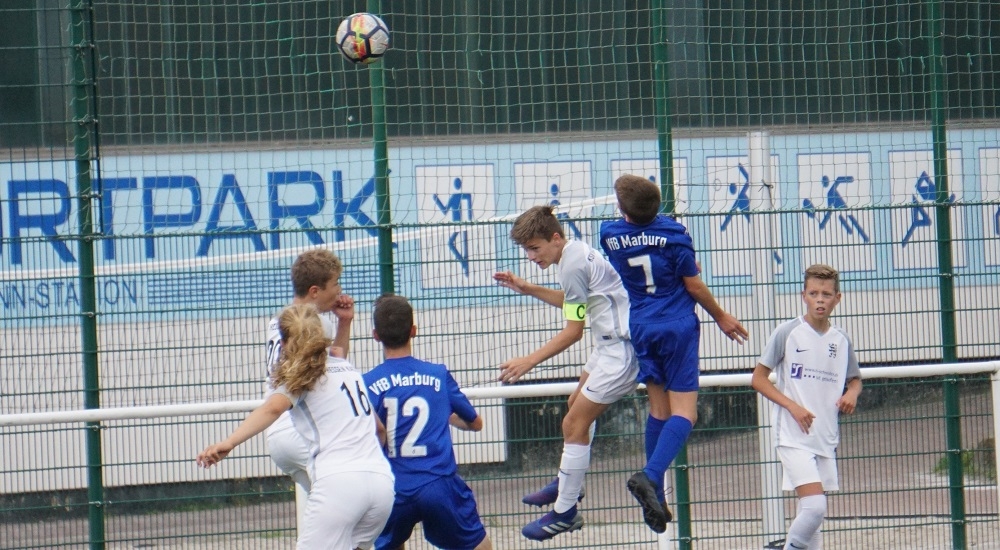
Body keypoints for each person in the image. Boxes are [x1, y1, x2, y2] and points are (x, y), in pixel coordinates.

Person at [600, 174, 749, 533]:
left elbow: (634, 247)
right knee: (685, 413)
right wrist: (722, 316)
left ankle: (658, 497)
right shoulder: (675, 233)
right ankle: (650, 476)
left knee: (658, 410)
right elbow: (692, 282)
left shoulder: (608, 234)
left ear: (623, 211)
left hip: (641, 326)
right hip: (677, 326)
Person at [494, 205, 639, 541]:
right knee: (574, 406)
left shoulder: (571, 264)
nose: (530, 256)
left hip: (621, 351)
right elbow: (578, 303)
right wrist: (527, 288)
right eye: (526, 250)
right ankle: (567, 483)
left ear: (555, 238)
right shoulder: (573, 256)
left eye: (534, 248)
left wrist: (529, 361)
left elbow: (573, 330)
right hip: (607, 347)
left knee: (574, 423)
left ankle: (565, 512)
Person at [198, 304, 394, 550]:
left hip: (340, 485)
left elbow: (271, 409)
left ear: (285, 342)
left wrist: (229, 442)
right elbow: (379, 430)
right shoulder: (349, 370)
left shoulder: (305, 375)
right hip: (382, 484)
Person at [362, 294, 493, 550]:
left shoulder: (367, 384)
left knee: (388, 542)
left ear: (375, 335)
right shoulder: (438, 375)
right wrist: (446, 415)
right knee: (479, 545)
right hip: (438, 484)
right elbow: (475, 422)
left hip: (392, 487)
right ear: (414, 331)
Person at [751, 264, 862, 550]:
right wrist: (793, 407)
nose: (820, 299)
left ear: (838, 298)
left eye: (826, 294)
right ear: (804, 296)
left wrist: (852, 393)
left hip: (824, 437)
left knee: (812, 520)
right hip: (792, 436)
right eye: (814, 293)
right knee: (814, 508)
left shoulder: (841, 339)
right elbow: (759, 380)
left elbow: (855, 380)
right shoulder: (787, 332)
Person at [265, 248, 356, 493]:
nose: (339, 290)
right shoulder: (316, 325)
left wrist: (344, 322)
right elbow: (335, 371)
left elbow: (328, 365)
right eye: (335, 283)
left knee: (324, 512)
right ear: (315, 291)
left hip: (278, 435)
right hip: (302, 429)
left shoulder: (281, 320)